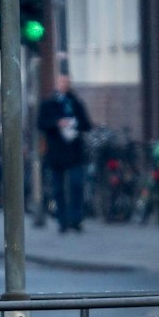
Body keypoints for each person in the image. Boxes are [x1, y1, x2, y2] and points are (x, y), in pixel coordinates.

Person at [35, 74, 93, 232]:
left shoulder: (75, 103)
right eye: (61, 83)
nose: (64, 85)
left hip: (74, 151)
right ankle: (62, 220)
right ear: (57, 84)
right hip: (56, 152)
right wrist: (57, 123)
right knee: (58, 188)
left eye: (67, 83)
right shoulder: (48, 103)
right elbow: (41, 123)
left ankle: (76, 218)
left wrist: (75, 125)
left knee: (76, 184)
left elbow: (87, 124)